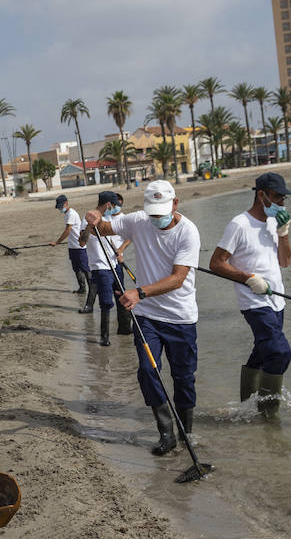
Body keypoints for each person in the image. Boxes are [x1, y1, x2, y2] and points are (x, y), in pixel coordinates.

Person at [85, 180, 200, 456]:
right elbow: (103, 229)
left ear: (175, 203)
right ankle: (166, 434)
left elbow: (178, 279)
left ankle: (186, 433)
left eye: (163, 211)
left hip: (181, 317)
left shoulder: (188, 232)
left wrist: (139, 291)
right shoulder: (138, 220)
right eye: (153, 212)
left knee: (184, 378)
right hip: (147, 316)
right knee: (148, 372)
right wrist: (95, 217)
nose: (157, 217)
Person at [208, 172, 291, 416]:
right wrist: (248, 278)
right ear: (261, 195)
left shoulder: (273, 224)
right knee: (280, 352)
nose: (281, 204)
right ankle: (267, 414)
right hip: (255, 302)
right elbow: (216, 263)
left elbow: (285, 262)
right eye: (277, 197)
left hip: (277, 301)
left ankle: (246, 406)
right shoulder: (239, 224)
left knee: (263, 351)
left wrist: (284, 233)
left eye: (284, 199)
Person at [78, 190, 132, 346]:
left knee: (123, 297)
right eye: (114, 205)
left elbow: (124, 236)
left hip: (115, 265)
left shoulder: (110, 219)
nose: (115, 208)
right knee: (106, 303)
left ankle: (124, 329)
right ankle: (104, 336)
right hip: (100, 267)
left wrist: (120, 251)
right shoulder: (86, 219)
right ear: (108, 204)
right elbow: (82, 242)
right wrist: (90, 226)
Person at [49, 194, 89, 294]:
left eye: (61, 206)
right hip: (72, 246)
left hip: (79, 246)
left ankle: (93, 288)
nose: (60, 209)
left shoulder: (71, 213)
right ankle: (82, 288)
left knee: (85, 268)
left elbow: (67, 230)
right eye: (59, 207)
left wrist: (57, 242)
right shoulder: (67, 214)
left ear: (66, 203)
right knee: (76, 268)